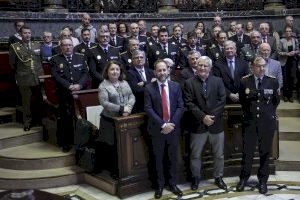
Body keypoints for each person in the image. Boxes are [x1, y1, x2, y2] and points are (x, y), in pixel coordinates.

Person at [236, 56, 280, 194]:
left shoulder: (272, 81)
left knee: (265, 153)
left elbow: (275, 101)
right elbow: (243, 101)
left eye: (263, 66)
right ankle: (244, 179)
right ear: (252, 67)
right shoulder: (244, 81)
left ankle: (263, 181)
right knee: (247, 152)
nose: (261, 69)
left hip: (266, 123)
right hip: (250, 122)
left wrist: (267, 114)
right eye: (258, 66)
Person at [184, 56, 227, 191]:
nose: (202, 68)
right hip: (198, 125)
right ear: (196, 67)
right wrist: (203, 117)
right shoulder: (189, 83)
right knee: (195, 155)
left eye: (205, 66)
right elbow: (189, 103)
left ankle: (218, 177)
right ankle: (196, 178)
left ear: (210, 68)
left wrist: (211, 117)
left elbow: (222, 100)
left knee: (219, 154)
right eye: (200, 65)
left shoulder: (218, 81)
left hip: (216, 124)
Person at [144, 60, 184, 199]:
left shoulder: (176, 86)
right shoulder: (149, 88)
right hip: (157, 130)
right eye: (159, 70)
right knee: (158, 158)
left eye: (164, 70)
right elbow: (148, 108)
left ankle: (173, 184)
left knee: (172, 158)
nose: (162, 73)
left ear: (168, 70)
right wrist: (163, 125)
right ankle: (160, 186)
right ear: (155, 72)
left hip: (173, 129)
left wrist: (171, 124)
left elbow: (180, 106)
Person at [97, 60, 135, 178]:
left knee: (125, 145)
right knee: (113, 147)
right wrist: (121, 109)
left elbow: (131, 96)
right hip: (109, 120)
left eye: (117, 69)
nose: (115, 72)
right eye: (112, 69)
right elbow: (104, 103)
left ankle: (126, 168)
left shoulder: (124, 83)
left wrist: (128, 108)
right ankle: (115, 170)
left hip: (125, 118)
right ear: (107, 72)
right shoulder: (103, 85)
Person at [50, 38, 89, 152]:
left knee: (81, 118)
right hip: (64, 93)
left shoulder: (80, 57)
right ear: (61, 47)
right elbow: (55, 76)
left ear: (73, 46)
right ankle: (65, 142)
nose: (68, 47)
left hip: (80, 93)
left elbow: (85, 73)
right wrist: (69, 86)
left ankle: (80, 141)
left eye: (70, 45)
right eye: (65, 45)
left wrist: (80, 85)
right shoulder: (55, 59)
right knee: (65, 119)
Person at [9, 26, 44, 131]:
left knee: (39, 100)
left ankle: (39, 120)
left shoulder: (37, 45)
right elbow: (12, 64)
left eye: (29, 33)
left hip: (38, 77)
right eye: (25, 33)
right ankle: (27, 122)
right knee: (26, 102)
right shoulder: (15, 47)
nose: (28, 35)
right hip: (24, 78)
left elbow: (40, 60)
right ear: (20, 34)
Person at [278, 26, 300, 102]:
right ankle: (285, 95)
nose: (288, 33)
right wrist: (287, 54)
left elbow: (298, 50)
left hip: (293, 62)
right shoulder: (281, 41)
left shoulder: (295, 40)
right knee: (284, 79)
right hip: (284, 62)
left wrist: (295, 52)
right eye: (287, 31)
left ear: (292, 32)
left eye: (290, 31)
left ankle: (290, 96)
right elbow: (278, 52)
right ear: (285, 33)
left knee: (291, 79)